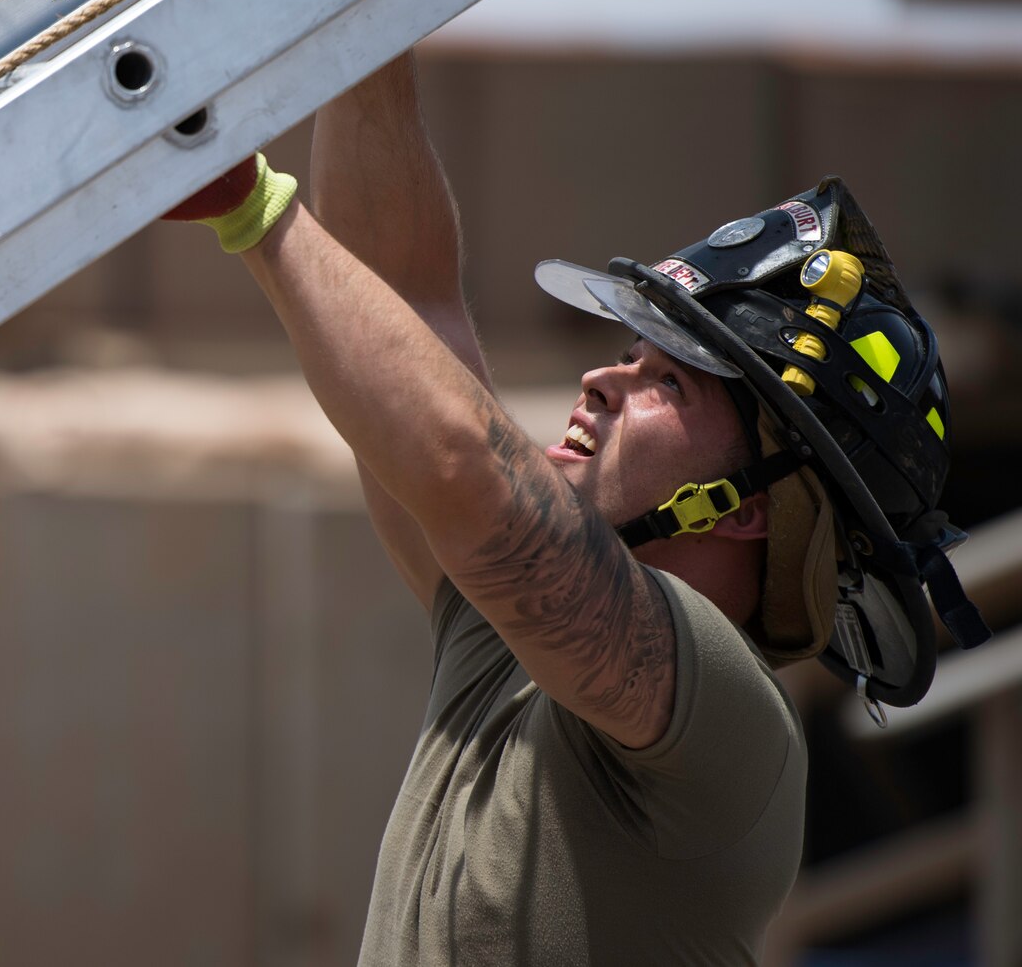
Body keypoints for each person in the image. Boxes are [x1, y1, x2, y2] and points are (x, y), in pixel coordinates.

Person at [164, 50, 986, 965]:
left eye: (664, 378)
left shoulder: (731, 716)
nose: (602, 377)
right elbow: (399, 297)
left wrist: (252, 207)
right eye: (629, 354)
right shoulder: (509, 633)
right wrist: (361, 30)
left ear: (751, 506)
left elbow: (466, 469)